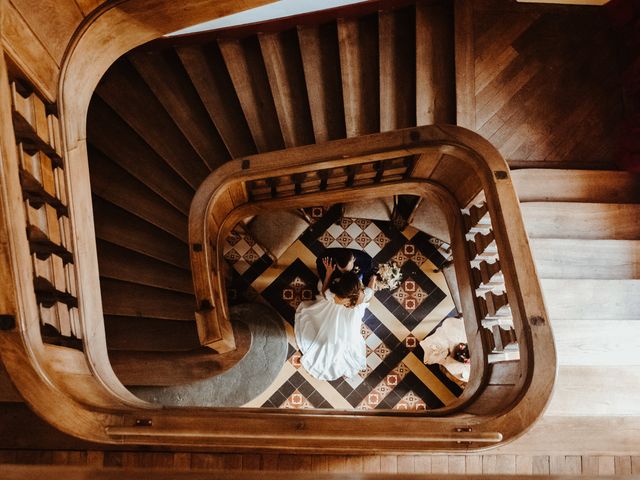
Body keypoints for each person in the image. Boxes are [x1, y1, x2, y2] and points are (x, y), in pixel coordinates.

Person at [295, 259, 377, 381]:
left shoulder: (334, 297)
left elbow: (323, 291)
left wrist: (328, 273)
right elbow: (371, 290)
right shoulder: (362, 296)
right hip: (352, 317)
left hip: (334, 311)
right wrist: (374, 278)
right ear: (358, 287)